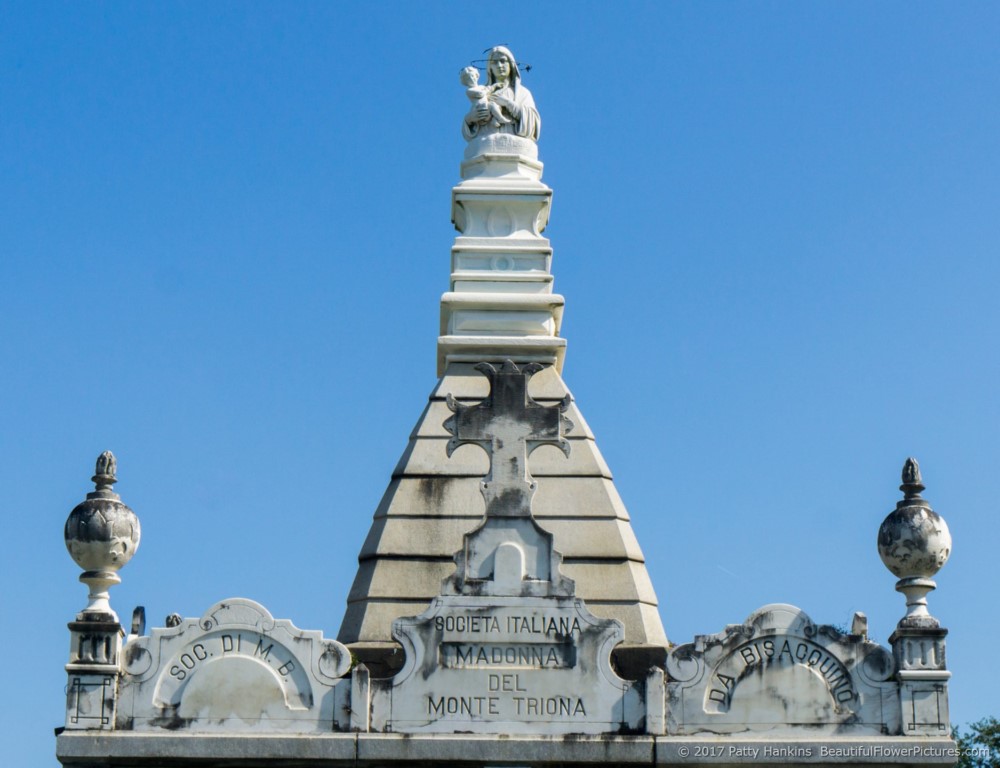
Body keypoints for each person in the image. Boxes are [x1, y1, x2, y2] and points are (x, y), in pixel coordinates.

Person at [462, 46, 540, 142]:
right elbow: (471, 122)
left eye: (503, 61)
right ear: (490, 68)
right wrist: (470, 118)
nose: (499, 65)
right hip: (486, 141)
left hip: (514, 142)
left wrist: (507, 103)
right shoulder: (484, 91)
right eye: (495, 62)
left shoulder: (522, 93)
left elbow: (532, 122)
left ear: (511, 65)